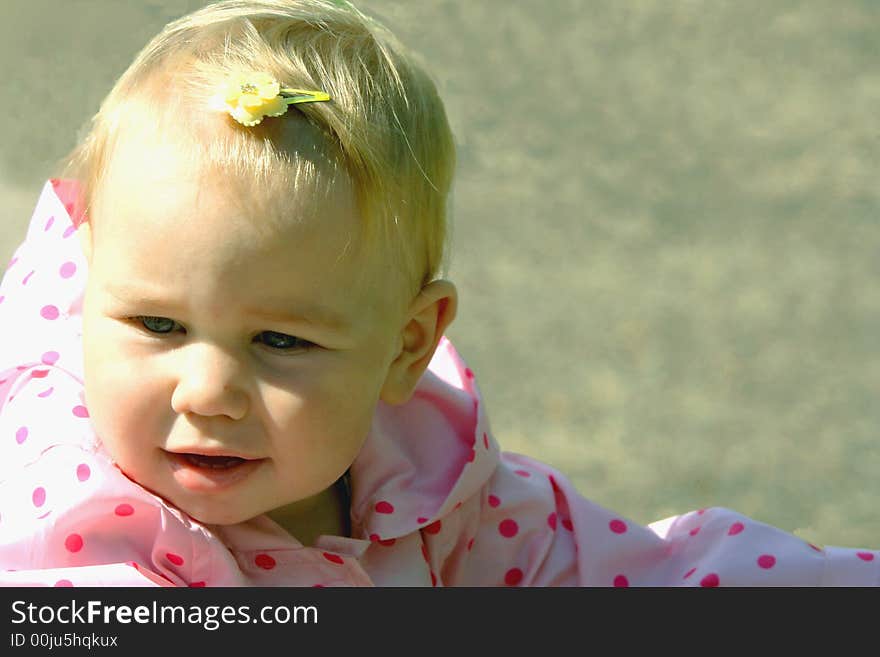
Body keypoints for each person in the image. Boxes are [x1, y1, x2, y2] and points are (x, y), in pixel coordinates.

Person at [0, 0, 876, 587]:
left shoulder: (425, 469)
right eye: (157, 323)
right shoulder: (71, 521)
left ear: (407, 345)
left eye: (282, 342)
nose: (207, 392)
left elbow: (628, 573)